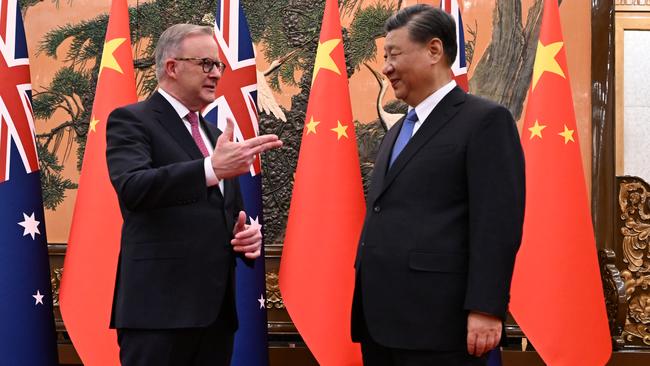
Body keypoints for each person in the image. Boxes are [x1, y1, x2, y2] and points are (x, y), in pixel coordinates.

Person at [351, 5, 525, 366]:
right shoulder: (397, 130)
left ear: (434, 51)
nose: (386, 68)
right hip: (380, 325)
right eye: (384, 57)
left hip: (441, 326)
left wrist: (486, 307)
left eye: (394, 55)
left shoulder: (485, 121)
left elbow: (497, 223)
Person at [106, 24, 282, 366]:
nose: (216, 74)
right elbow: (133, 187)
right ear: (172, 67)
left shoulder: (215, 134)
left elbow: (229, 214)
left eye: (219, 66)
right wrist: (211, 169)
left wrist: (247, 237)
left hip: (215, 316)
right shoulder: (132, 121)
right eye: (206, 64)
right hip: (159, 314)